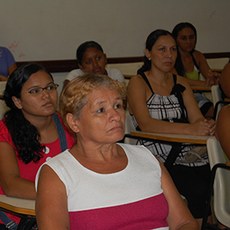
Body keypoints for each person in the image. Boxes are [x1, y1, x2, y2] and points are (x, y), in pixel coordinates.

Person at [35, 74, 198, 230]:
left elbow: (184, 222)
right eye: (101, 110)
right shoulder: (57, 173)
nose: (115, 116)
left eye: (118, 106)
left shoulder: (146, 157)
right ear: (74, 122)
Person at [127, 29, 216, 227]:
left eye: (173, 50)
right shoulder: (138, 82)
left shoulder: (181, 82)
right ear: (148, 53)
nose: (169, 55)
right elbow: (146, 124)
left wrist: (205, 126)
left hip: (186, 148)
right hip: (155, 151)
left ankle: (209, 219)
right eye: (162, 50)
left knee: (217, 171)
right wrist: (191, 130)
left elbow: (196, 119)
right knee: (198, 184)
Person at [0, 63, 75, 228]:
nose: (46, 96)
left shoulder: (69, 124)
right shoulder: (4, 131)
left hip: (64, 212)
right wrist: (65, 194)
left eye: (50, 88)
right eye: (35, 91)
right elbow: (11, 185)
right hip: (17, 218)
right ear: (17, 101)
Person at [172, 22, 219, 118]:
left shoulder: (198, 55)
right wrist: (205, 83)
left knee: (220, 111)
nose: (189, 41)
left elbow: (209, 76)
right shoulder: (171, 57)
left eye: (191, 37)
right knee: (216, 112)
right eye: (184, 38)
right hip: (180, 98)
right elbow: (179, 81)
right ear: (176, 40)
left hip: (198, 97)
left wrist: (213, 78)